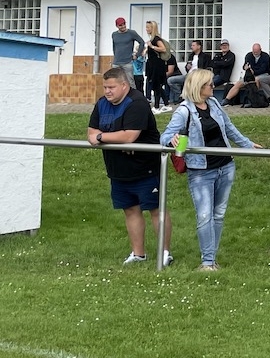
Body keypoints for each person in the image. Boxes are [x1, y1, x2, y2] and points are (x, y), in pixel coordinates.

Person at [160, 68, 261, 271]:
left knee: (219, 214)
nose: (213, 86)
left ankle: (211, 259)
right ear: (199, 87)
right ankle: (207, 262)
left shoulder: (213, 103)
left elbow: (229, 127)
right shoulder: (184, 111)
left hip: (226, 166)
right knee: (205, 215)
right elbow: (164, 137)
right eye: (209, 84)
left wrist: (247, 144)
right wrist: (173, 140)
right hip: (201, 171)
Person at [86, 66, 173, 266]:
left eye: (111, 87)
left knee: (156, 209)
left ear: (124, 85)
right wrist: (110, 139)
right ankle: (138, 254)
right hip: (118, 169)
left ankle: (165, 253)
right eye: (105, 87)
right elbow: (91, 132)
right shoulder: (102, 104)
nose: (107, 91)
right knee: (130, 210)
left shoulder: (137, 103)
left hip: (146, 168)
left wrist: (102, 137)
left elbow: (129, 136)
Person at [144, 20, 171, 113]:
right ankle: (166, 104)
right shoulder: (152, 39)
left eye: (148, 27)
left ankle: (156, 107)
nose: (147, 29)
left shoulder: (156, 39)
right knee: (157, 86)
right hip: (152, 65)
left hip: (157, 65)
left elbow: (163, 49)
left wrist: (152, 46)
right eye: (146, 27)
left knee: (156, 86)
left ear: (153, 28)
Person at [111, 17, 145, 88]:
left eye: (124, 24)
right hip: (116, 62)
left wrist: (137, 55)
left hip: (127, 62)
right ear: (117, 26)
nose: (123, 26)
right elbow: (114, 46)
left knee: (130, 82)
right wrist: (115, 56)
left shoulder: (131, 33)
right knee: (116, 82)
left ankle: (133, 95)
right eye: (120, 25)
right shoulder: (114, 34)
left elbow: (142, 42)